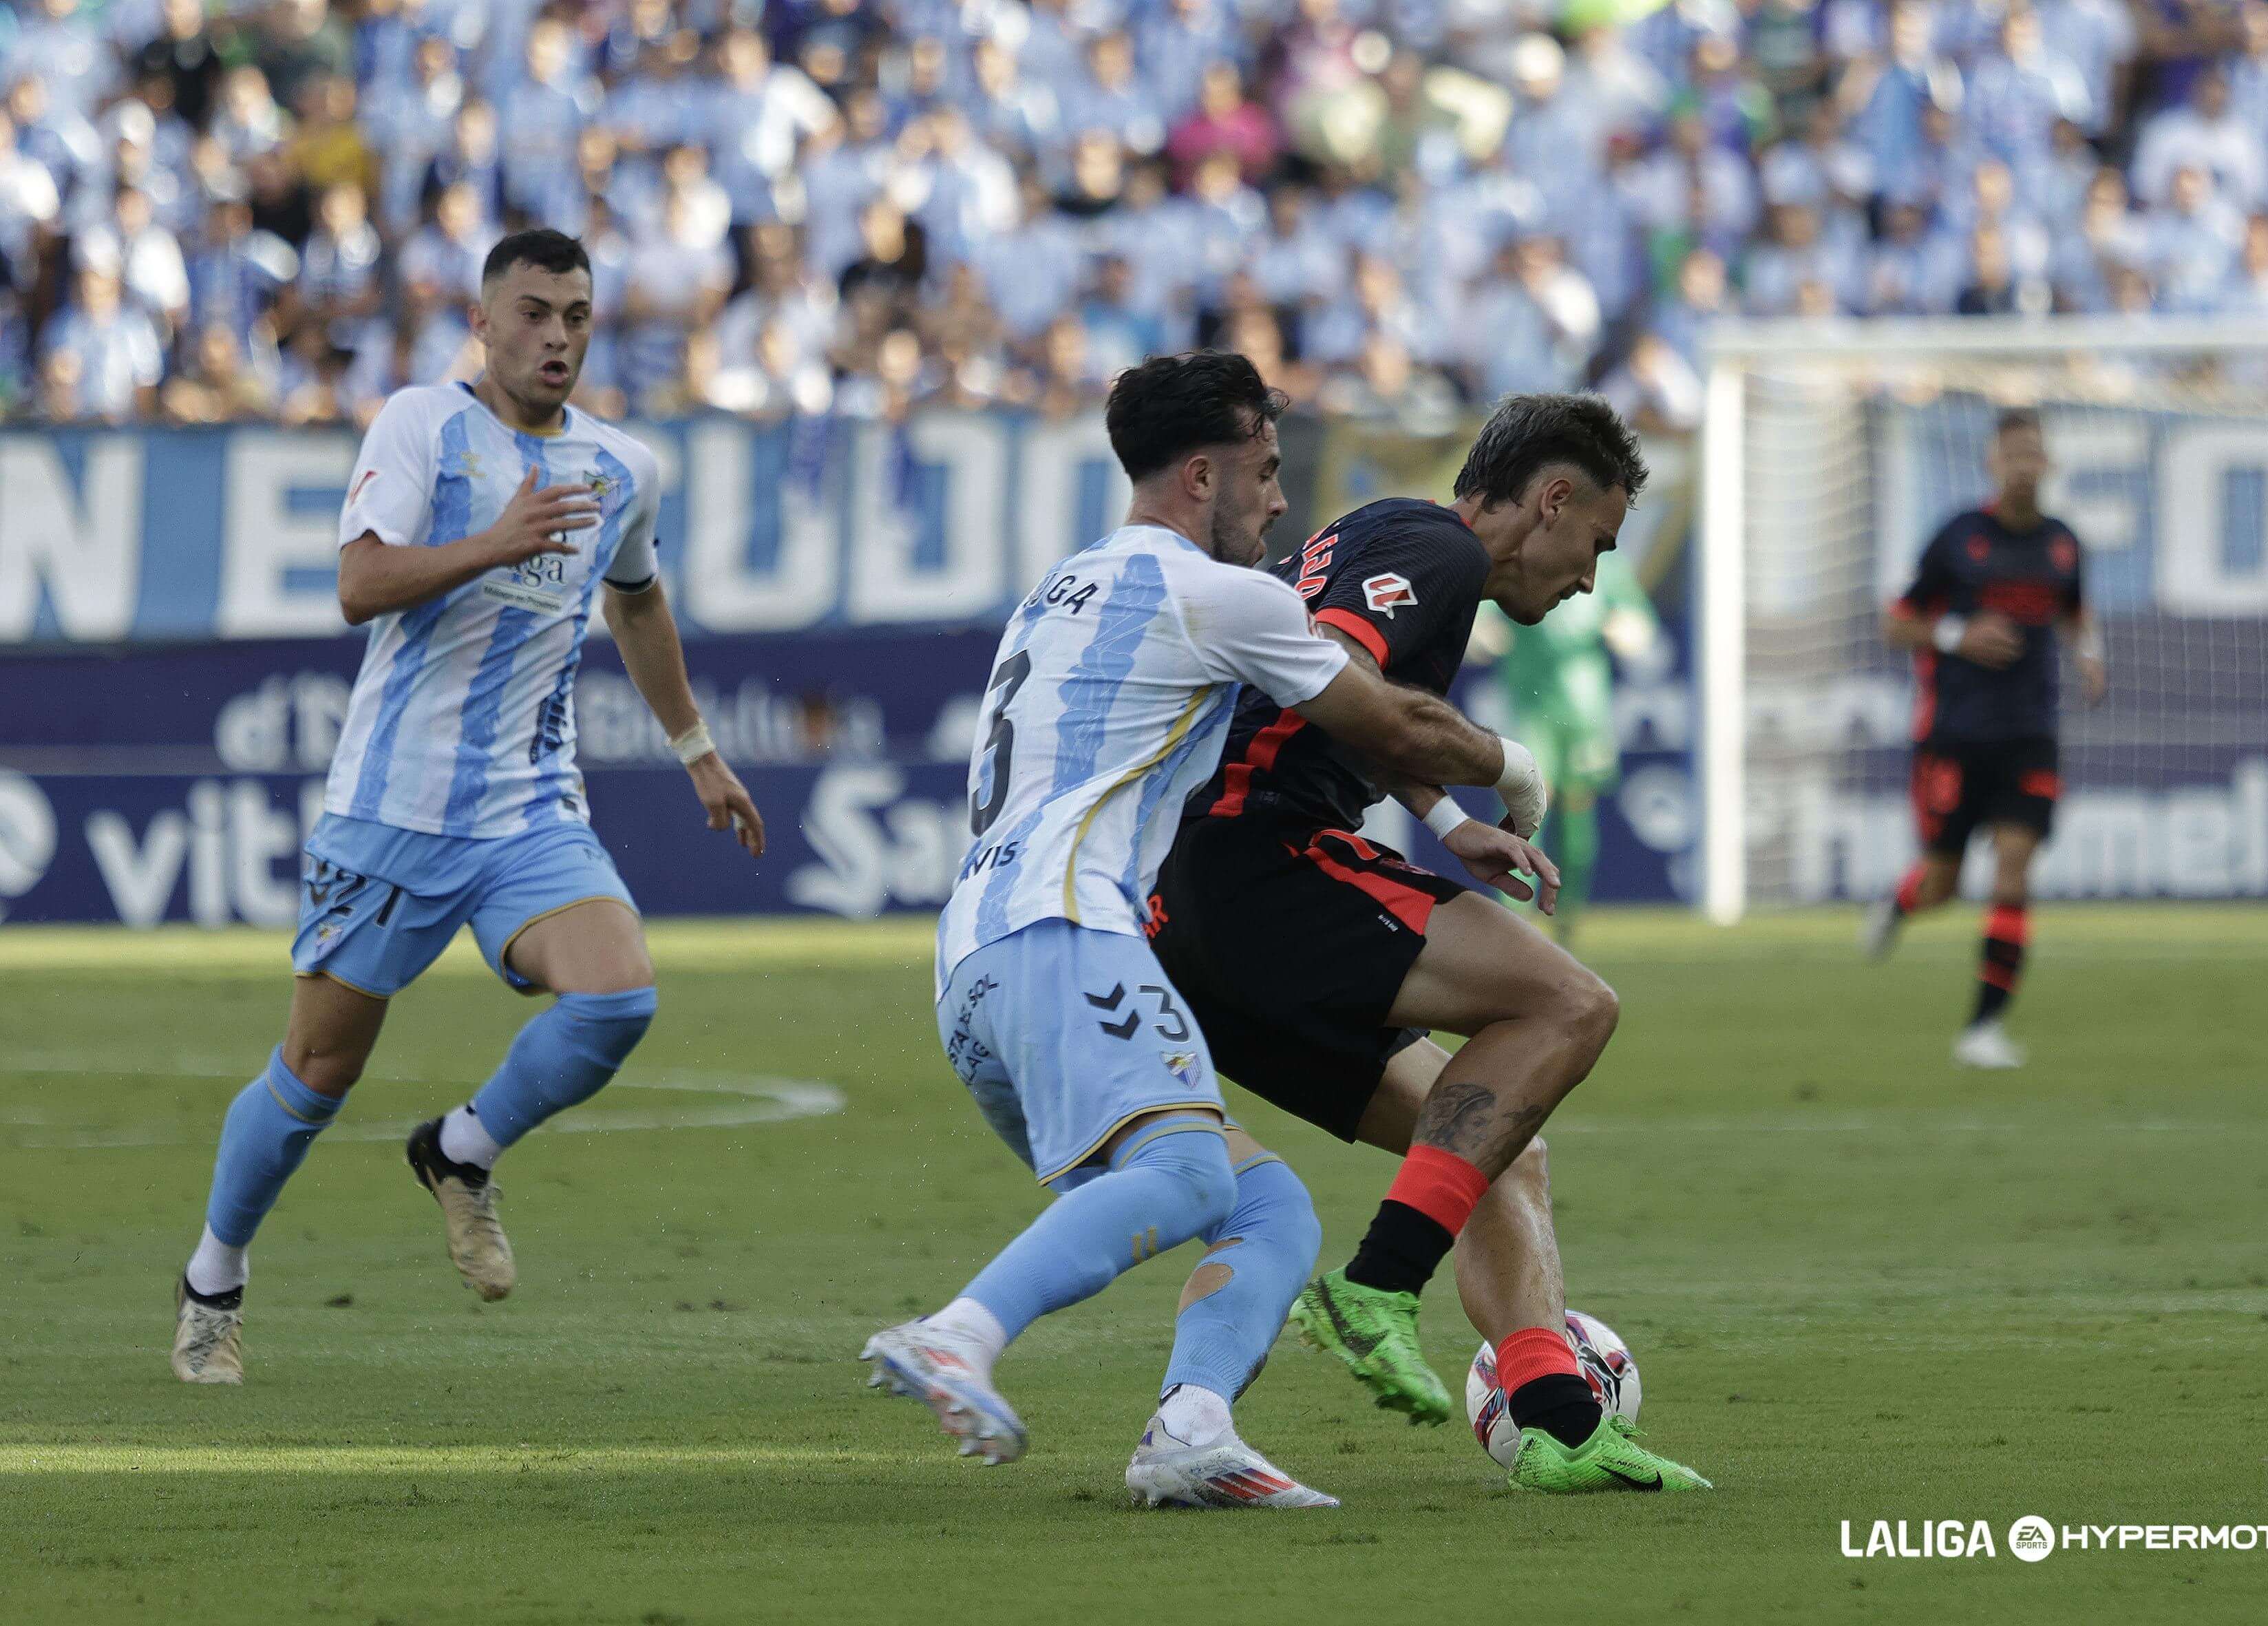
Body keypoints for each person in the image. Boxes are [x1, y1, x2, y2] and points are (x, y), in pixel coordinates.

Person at [860, 351, 1551, 1509]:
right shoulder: (1218, 596)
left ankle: (1189, 1427)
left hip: (976, 963)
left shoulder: (1065, 583)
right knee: (1185, 1174)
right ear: (1199, 475)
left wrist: (1438, 819)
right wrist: (1506, 769)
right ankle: (957, 1333)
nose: (1279, 503)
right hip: (1067, 931)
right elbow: (1383, 716)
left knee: (1266, 1207)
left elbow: (1330, 722)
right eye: (1265, 471)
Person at [169, 229, 766, 1385]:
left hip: (527, 808)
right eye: (533, 312)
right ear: (483, 324)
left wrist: (696, 748)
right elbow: (358, 584)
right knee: (315, 1073)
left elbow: (638, 603)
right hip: (391, 808)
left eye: (576, 316)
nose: (557, 336)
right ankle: (214, 1277)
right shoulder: (421, 426)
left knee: (618, 994)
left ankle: (460, 1149)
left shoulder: (621, 467)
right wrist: (491, 544)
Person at [1147, 393, 1714, 1493]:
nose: (1590, 576)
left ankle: (1559, 1426)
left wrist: (1447, 818)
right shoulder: (1438, 550)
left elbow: (1351, 699)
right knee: (1568, 1004)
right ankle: (1375, 1286)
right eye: (1596, 542)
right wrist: (1504, 764)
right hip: (1259, 863)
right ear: (1551, 499)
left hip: (1193, 922)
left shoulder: (1385, 537)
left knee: (1497, 1140)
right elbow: (1321, 665)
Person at [1863, 409, 2106, 1068]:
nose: (2024, 466)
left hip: (2029, 734)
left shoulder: (2062, 544)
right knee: (1942, 884)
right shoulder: (1958, 538)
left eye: (2033, 453)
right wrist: (1956, 635)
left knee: (2013, 868)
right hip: (1955, 735)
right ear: (1992, 464)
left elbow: (2076, 613)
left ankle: (1982, 1029)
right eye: (2012, 454)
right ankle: (1899, 903)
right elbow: (1896, 624)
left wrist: (2089, 656)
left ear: (2048, 464)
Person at [1476, 547, 1657, 948]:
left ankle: (1567, 915)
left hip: (1584, 711)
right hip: (1530, 709)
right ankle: (1514, 921)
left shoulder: (1606, 567)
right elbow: (1479, 626)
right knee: (1524, 809)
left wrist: (1626, 630)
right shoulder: (1519, 558)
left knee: (1577, 815)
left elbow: (1640, 628)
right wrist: (1485, 635)